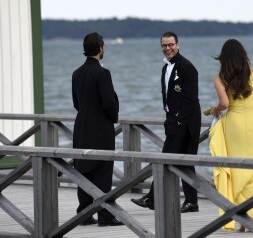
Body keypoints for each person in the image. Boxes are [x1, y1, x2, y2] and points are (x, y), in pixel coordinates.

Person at [131, 31, 201, 213]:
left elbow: (191, 100)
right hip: (173, 120)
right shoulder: (165, 68)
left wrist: (178, 122)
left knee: (165, 158)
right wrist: (168, 117)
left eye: (170, 45)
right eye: (164, 45)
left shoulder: (188, 67)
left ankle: (153, 198)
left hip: (186, 122)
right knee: (184, 161)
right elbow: (168, 97)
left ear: (178, 45)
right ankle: (191, 202)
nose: (167, 48)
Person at [209, 39, 253, 231]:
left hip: (234, 123)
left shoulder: (220, 77)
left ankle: (237, 216)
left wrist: (214, 110)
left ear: (224, 57)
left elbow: (225, 104)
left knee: (236, 170)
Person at [72, 32, 122, 226]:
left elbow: (76, 102)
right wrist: (112, 116)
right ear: (101, 48)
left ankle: (84, 213)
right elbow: (109, 102)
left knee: (83, 169)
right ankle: (105, 214)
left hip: (81, 126)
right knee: (102, 170)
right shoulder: (103, 73)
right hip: (101, 127)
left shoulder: (77, 73)